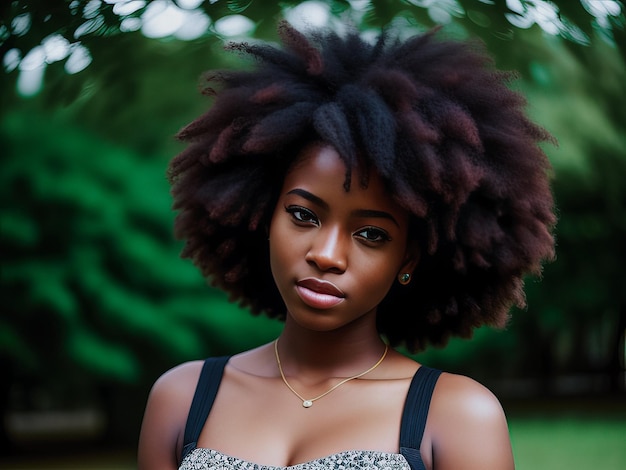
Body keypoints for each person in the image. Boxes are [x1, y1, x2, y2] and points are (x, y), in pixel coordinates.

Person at [138, 20, 556, 470]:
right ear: (261, 216)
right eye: (303, 215)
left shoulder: (458, 417)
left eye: (371, 235)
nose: (327, 254)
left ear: (408, 258)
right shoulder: (181, 398)